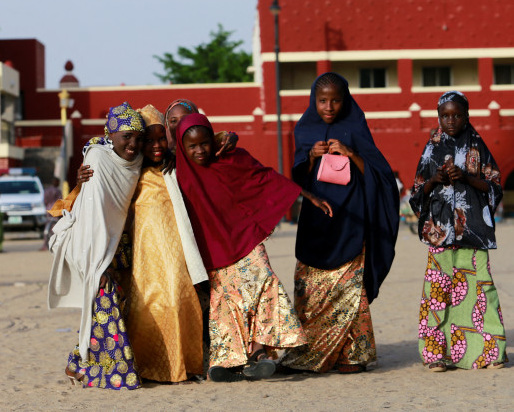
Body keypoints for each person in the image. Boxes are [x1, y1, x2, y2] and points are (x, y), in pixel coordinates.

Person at [175, 112, 333, 382]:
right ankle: (227, 360)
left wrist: (305, 195)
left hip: (245, 237)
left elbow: (263, 177)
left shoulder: (231, 158)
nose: (200, 150)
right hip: (212, 248)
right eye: (192, 146)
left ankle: (259, 352)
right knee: (225, 300)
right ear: (182, 146)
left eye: (205, 143)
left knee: (264, 283)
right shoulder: (176, 174)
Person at [281, 73, 399, 374]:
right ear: (314, 100)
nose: (329, 106)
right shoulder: (304, 128)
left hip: (352, 220)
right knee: (309, 289)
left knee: (350, 291)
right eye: (322, 100)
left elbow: (381, 175)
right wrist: (310, 157)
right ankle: (310, 353)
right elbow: (297, 178)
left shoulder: (355, 126)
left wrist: (351, 154)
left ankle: (353, 356)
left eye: (335, 100)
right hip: (316, 222)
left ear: (344, 100)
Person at [48, 102, 145, 390]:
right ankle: (115, 372)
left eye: (138, 138)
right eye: (126, 136)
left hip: (116, 247)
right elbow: (92, 217)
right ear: (110, 135)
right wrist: (99, 263)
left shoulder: (137, 161)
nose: (133, 144)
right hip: (92, 248)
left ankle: (76, 364)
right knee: (106, 306)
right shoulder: (98, 160)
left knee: (103, 308)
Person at [409, 91, 508, 372]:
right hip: (440, 233)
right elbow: (417, 192)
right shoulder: (430, 149)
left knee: (481, 292)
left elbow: (495, 187)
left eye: (456, 115)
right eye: (444, 115)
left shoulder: (478, 147)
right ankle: (436, 355)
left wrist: (466, 177)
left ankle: (490, 354)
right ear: (438, 117)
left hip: (473, 233)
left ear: (467, 116)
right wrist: (434, 180)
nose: (450, 121)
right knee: (438, 293)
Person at [120, 104, 206, 383]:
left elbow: (209, 142)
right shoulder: (130, 173)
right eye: (149, 140)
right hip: (146, 256)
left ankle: (184, 364)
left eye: (161, 138)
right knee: (149, 305)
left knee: (180, 297)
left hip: (178, 249)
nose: (156, 145)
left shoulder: (176, 164)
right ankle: (152, 368)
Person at [41, 177, 62, 250]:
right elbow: (60, 201)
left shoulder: (46, 190)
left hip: (48, 210)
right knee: (55, 228)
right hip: (55, 210)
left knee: (47, 226)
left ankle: (46, 244)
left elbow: (44, 201)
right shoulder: (57, 191)